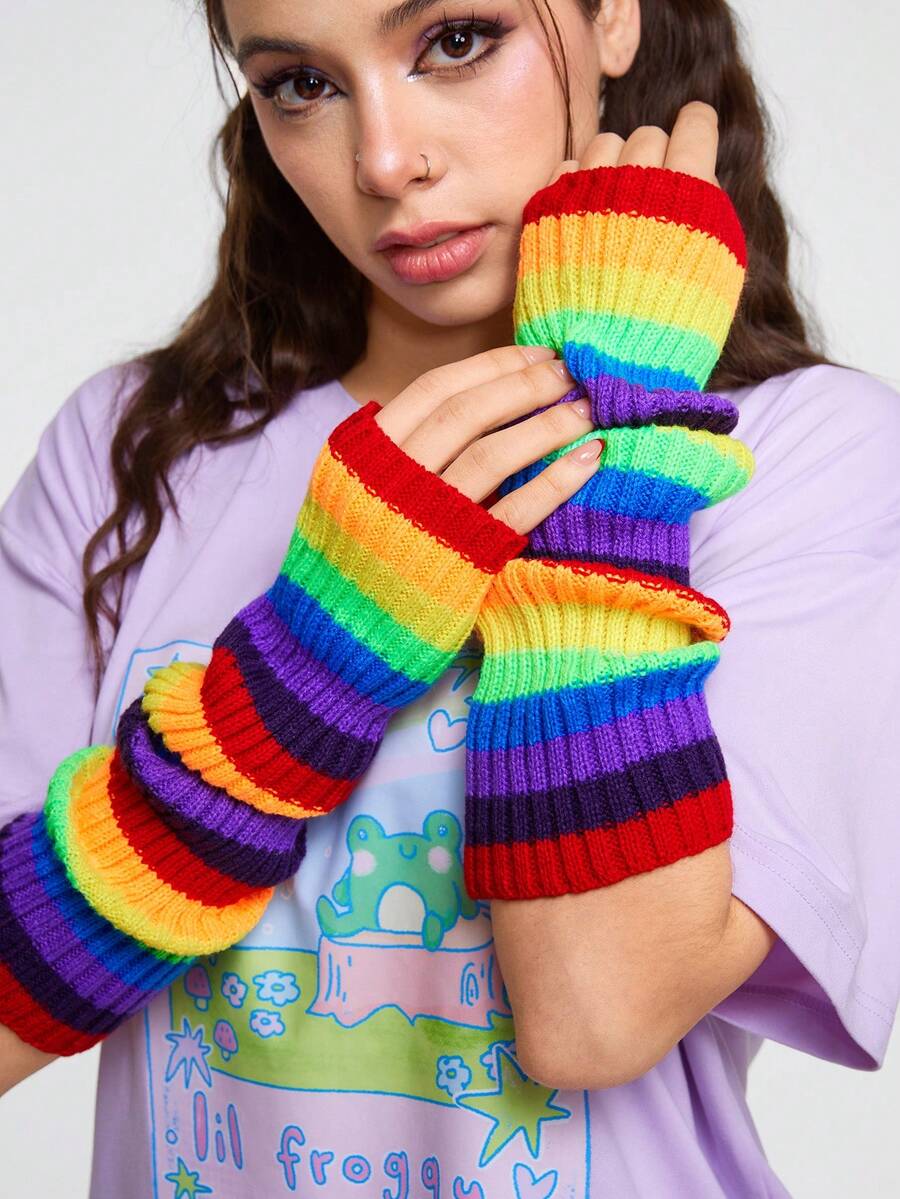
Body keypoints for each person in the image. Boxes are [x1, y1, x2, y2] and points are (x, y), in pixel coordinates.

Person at [1, 1, 898, 1195]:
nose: (384, 161)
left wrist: (617, 446)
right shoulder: (135, 451)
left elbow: (595, 1012)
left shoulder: (805, 456)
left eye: (457, 40)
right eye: (301, 84)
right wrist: (296, 684)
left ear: (612, 19)